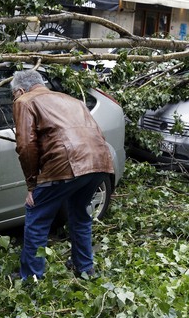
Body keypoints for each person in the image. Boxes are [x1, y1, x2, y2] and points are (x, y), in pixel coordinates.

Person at [10, 69, 114, 280]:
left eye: (14, 95)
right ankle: (85, 268)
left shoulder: (25, 101)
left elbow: (26, 145)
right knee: (80, 214)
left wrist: (32, 186)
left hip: (65, 163)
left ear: (20, 90)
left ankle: (31, 278)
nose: (15, 99)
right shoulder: (71, 100)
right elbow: (96, 132)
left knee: (36, 216)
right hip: (100, 161)